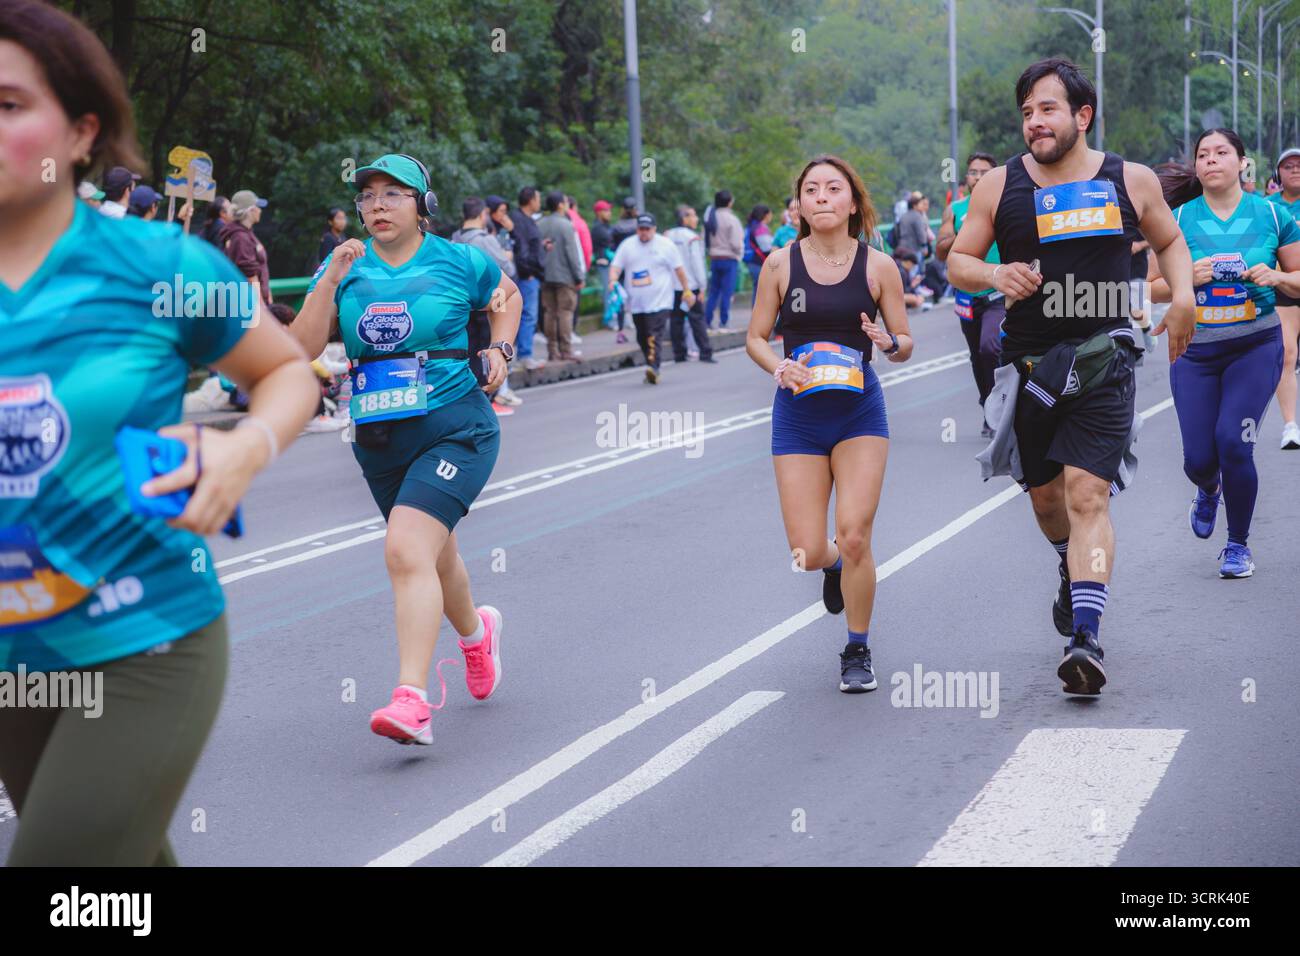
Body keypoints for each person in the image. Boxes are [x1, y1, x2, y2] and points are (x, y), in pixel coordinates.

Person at [0, 0, 318, 865]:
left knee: (62, 870)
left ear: (81, 133)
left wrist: (243, 447)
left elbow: (287, 372)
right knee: (116, 881)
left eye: (9, 105)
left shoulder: (157, 267)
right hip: (14, 655)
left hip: (145, 630)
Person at [947, 57, 1195, 697]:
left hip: (1103, 358)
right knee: (1048, 501)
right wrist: (994, 273)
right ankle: (1068, 561)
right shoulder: (997, 186)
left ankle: (1085, 638)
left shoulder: (1129, 179)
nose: (1034, 121)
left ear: (1083, 115)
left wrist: (1184, 297)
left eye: (1047, 109)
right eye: (1027, 112)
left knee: (1088, 497)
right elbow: (958, 260)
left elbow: (1169, 242)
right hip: (1031, 368)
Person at [293, 153, 522, 746]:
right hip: (377, 436)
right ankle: (477, 637)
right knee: (433, 555)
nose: (377, 206)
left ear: (423, 205)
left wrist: (500, 350)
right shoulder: (345, 265)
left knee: (405, 548)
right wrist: (329, 280)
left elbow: (507, 297)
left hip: (456, 426)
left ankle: (411, 701)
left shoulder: (458, 259)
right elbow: (301, 347)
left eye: (392, 194)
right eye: (367, 196)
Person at [746, 154, 913, 693]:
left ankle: (857, 648)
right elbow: (755, 337)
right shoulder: (779, 265)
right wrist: (779, 366)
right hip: (798, 416)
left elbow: (905, 343)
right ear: (799, 204)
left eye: (833, 188)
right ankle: (833, 564)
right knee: (807, 552)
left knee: (856, 533)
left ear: (853, 202)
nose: (821, 196)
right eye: (811, 189)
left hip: (859, 412)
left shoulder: (879, 267)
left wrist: (889, 342)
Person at [1149, 129, 1300, 578]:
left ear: (1242, 163)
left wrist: (1277, 277)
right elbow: (1152, 287)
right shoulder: (1177, 218)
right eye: (1203, 154)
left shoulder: (1272, 215)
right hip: (1193, 350)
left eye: (1221, 153)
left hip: (1255, 346)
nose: (1211, 160)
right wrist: (1186, 280)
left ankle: (1237, 546)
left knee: (1234, 442)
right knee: (1198, 459)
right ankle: (1208, 488)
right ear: (1196, 166)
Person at [936, 151, 1003, 430]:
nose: (978, 177)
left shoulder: (1004, 204)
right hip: (966, 294)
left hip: (997, 291)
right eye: (973, 172)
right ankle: (988, 407)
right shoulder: (955, 210)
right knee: (977, 353)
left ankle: (1003, 404)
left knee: (990, 346)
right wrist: (961, 233)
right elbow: (940, 252)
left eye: (984, 173)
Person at [452, 196, 523, 409]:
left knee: (469, 351)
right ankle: (490, 395)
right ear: (483, 214)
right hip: (486, 302)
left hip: (461, 304)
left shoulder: (452, 240)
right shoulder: (485, 239)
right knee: (489, 350)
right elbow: (507, 269)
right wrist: (508, 254)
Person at [609, 213, 695, 384]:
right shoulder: (628, 245)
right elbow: (616, 266)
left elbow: (679, 269)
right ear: (637, 229)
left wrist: (687, 290)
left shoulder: (666, 245)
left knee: (654, 334)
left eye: (647, 229)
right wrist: (612, 280)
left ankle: (654, 367)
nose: (644, 232)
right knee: (641, 336)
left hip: (660, 300)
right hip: (637, 302)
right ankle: (651, 364)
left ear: (654, 229)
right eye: (641, 229)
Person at [1267, 147, 1300, 448]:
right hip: (1285, 286)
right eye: (1288, 166)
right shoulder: (1268, 207)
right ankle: (1290, 425)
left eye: (1299, 165)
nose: (1295, 169)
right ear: (1278, 173)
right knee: (1287, 353)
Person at [537, 191, 585, 362]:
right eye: (565, 202)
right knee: (565, 312)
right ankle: (566, 350)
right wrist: (579, 276)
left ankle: (552, 351)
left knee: (549, 312)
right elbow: (572, 253)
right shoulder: (566, 225)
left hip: (545, 275)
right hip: (565, 276)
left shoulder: (540, 223)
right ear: (559, 205)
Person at [665, 204, 714, 363]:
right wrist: (702, 286)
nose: (696, 219)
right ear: (684, 219)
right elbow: (697, 263)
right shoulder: (692, 237)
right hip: (691, 286)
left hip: (672, 286)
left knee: (676, 320)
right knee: (697, 320)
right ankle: (705, 352)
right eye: (693, 215)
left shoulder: (667, 236)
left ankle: (679, 354)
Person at [510, 187, 545, 369]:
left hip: (532, 272)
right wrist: (528, 272)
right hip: (526, 275)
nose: (540, 202)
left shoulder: (528, 219)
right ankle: (525, 355)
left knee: (528, 315)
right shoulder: (519, 219)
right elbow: (521, 249)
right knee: (528, 315)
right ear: (531, 200)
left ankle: (524, 353)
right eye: (538, 198)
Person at [220, 188, 272, 306]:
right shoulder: (240, 237)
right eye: (258, 207)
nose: (260, 211)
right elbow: (250, 276)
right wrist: (262, 308)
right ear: (250, 210)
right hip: (249, 305)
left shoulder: (245, 234)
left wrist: (268, 297)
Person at [704, 189, 743, 327]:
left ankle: (707, 320)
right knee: (727, 292)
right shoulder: (732, 219)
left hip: (715, 259)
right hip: (729, 259)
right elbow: (736, 243)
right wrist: (739, 253)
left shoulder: (710, 217)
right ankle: (724, 321)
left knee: (713, 292)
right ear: (729, 202)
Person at [591, 199, 615, 328]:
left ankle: (613, 319)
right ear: (599, 212)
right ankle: (609, 321)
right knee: (607, 292)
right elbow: (610, 242)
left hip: (610, 264)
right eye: (606, 210)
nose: (609, 212)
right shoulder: (598, 228)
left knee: (612, 292)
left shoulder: (606, 226)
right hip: (603, 265)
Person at [743, 204, 774, 304]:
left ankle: (756, 311)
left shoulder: (750, 226)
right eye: (770, 213)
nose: (771, 216)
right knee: (760, 291)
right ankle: (757, 312)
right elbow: (767, 248)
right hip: (758, 262)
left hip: (751, 261)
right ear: (765, 215)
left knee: (757, 289)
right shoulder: (760, 228)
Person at [315, 206, 348, 272]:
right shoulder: (328, 238)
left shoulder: (343, 237)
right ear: (330, 222)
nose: (342, 221)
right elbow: (325, 260)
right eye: (338, 218)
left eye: (344, 218)